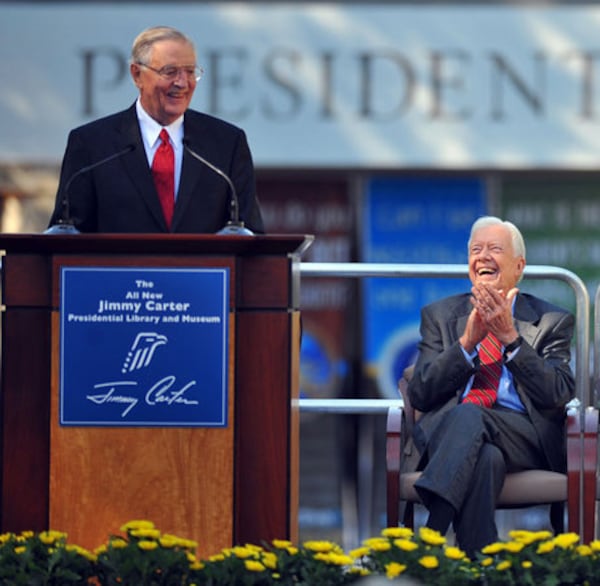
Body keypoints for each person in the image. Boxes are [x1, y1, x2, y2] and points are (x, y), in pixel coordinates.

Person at [407, 215, 575, 557]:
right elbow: (421, 393)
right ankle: (478, 564)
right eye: (475, 249)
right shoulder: (439, 316)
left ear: (518, 266)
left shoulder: (550, 320)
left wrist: (511, 339)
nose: (482, 256)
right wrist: (467, 343)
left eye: (494, 249)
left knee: (472, 415)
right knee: (484, 455)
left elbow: (558, 391)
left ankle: (430, 539)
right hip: (452, 435)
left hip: (524, 436)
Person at [48, 25, 264, 234]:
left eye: (190, 71)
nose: (182, 83)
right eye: (170, 71)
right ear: (136, 74)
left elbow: (249, 233)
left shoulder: (227, 143)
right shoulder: (91, 144)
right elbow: (67, 234)